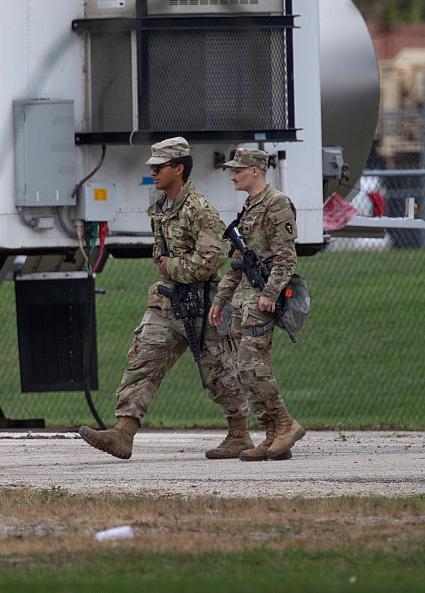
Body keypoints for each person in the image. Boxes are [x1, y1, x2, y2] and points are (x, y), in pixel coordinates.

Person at [79, 137, 252, 460]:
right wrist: (167, 269)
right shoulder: (161, 207)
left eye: (159, 167)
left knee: (219, 371)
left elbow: (214, 257)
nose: (154, 172)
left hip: (201, 305)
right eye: (152, 167)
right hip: (167, 303)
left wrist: (172, 267)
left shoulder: (199, 209)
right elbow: (160, 254)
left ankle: (240, 432)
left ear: (179, 169)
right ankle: (123, 432)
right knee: (143, 360)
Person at [209, 148, 305, 461]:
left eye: (238, 170)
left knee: (252, 365)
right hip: (244, 300)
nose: (233, 176)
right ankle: (272, 436)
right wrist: (221, 299)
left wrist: (271, 293)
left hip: (261, 298)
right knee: (245, 368)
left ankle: (285, 424)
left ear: (255, 171)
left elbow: (286, 257)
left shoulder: (276, 203)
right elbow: (239, 260)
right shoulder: (250, 206)